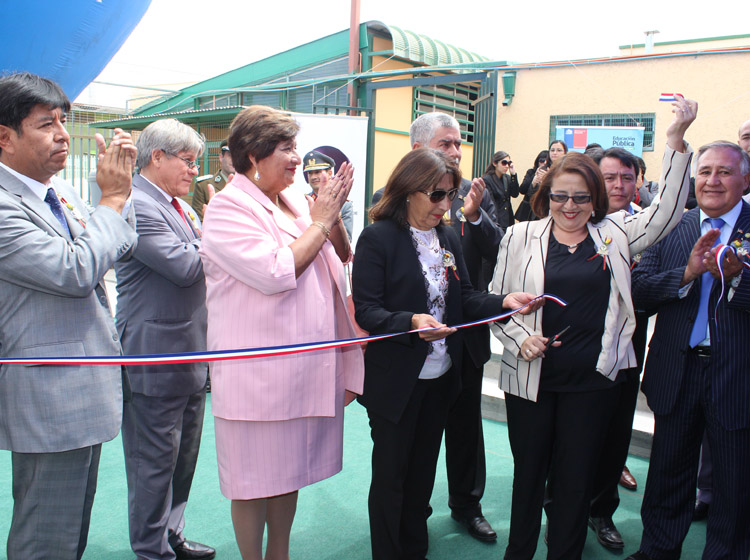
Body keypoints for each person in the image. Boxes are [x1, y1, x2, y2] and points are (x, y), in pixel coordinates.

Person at [490, 96, 696, 560]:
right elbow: (497, 304)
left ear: (595, 200)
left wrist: (676, 141)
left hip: (592, 382)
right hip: (531, 383)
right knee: (528, 481)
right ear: (547, 196)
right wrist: (521, 339)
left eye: (581, 197)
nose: (569, 206)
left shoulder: (616, 235)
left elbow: (665, 213)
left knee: (574, 482)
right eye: (560, 196)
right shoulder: (520, 236)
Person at [353, 147, 541, 560]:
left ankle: (414, 551)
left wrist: (505, 300)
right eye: (437, 195)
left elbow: (467, 298)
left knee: (421, 478)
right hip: (397, 383)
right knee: (391, 480)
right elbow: (367, 309)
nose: (446, 204)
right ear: (408, 191)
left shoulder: (449, 236)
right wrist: (412, 321)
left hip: (440, 379)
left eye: (450, 195)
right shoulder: (378, 236)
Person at [199, 105, 364, 560]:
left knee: (286, 472)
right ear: (254, 154)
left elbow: (339, 257)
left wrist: (329, 219)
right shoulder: (229, 208)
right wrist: (320, 221)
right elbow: (275, 271)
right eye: (288, 149)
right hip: (258, 378)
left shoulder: (291, 200)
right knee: (252, 481)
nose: (298, 159)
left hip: (298, 370)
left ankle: (280, 554)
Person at [0, 72, 138, 559]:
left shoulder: (60, 193)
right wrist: (114, 200)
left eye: (64, 121)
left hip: (83, 390)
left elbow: (120, 242)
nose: (62, 134)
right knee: (45, 540)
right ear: (4, 137)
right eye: (45, 124)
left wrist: (121, 191)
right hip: (49, 399)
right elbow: (75, 269)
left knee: (69, 535)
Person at [628, 139, 750, 560]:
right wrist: (687, 273)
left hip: (737, 374)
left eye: (724, 172)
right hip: (677, 373)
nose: (712, 180)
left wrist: (735, 280)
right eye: (705, 171)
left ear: (746, 179)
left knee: (735, 482)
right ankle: (657, 550)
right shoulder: (673, 226)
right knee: (668, 473)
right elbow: (639, 290)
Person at [115, 119, 215, 560]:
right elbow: (188, 267)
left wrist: (207, 240)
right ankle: (151, 550)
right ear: (157, 157)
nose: (195, 171)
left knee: (183, 459)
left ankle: (173, 534)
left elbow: (197, 256)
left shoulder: (178, 206)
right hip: (154, 357)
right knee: (152, 463)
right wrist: (220, 238)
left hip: (190, 354)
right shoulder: (136, 204)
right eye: (189, 161)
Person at [409, 112, 504, 542]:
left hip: (466, 332)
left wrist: (472, 217)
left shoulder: (473, 194)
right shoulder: (392, 199)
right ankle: (414, 517)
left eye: (458, 144)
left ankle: (468, 505)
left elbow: (496, 248)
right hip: (416, 346)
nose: (454, 152)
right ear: (418, 150)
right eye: (445, 144)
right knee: (419, 443)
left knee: (467, 428)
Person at [585, 147, 650, 551]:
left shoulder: (648, 227)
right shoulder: (573, 223)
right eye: (610, 177)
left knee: (614, 435)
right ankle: (560, 511)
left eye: (628, 177)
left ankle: (601, 512)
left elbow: (658, 284)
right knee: (572, 438)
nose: (620, 185)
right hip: (582, 348)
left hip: (628, 348)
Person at [303, 149, 353, 240]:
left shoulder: (344, 204)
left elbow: (347, 241)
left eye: (317, 172)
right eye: (310, 173)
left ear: (330, 173)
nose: (313, 177)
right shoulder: (302, 201)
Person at [192, 138, 234, 220]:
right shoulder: (204, 186)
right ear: (221, 158)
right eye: (230, 155)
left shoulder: (249, 186)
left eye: (238, 156)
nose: (234, 160)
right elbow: (198, 221)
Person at [482, 150, 519, 231]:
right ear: (495, 163)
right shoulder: (487, 180)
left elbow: (515, 194)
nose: (506, 166)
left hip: (508, 220)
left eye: (508, 163)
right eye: (504, 163)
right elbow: (491, 203)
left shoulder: (507, 178)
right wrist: (494, 222)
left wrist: (513, 175)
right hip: (496, 219)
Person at [516, 150, 550, 222]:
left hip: (542, 211)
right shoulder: (531, 172)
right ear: (537, 161)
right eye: (541, 160)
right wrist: (535, 176)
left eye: (546, 161)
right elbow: (522, 190)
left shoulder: (550, 175)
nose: (544, 163)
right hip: (528, 210)